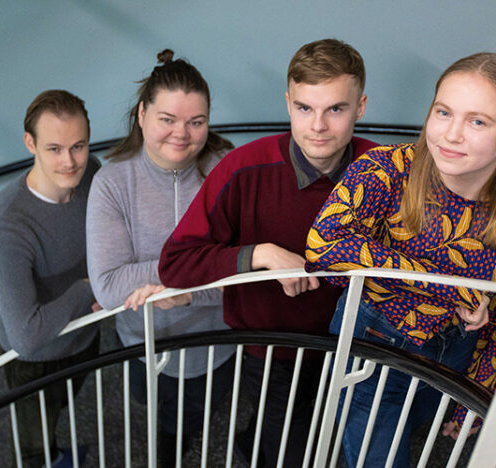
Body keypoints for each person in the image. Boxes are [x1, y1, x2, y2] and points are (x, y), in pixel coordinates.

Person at [304, 52, 496, 467]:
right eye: (443, 112)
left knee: (407, 430)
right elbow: (325, 244)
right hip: (375, 343)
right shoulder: (386, 170)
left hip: (457, 350)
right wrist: (448, 286)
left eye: (477, 121)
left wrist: (476, 396)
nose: (451, 134)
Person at [159, 39, 376, 467]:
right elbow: (176, 264)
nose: (318, 126)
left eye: (336, 109)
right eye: (304, 108)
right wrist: (259, 254)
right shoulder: (242, 169)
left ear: (361, 107)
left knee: (343, 442)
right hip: (274, 352)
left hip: (357, 347)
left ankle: (255, 442)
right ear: (287, 103)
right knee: (288, 451)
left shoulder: (385, 170)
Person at [86, 50, 235, 467]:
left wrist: (185, 291)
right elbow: (110, 285)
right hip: (143, 344)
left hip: (218, 342)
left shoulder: (227, 170)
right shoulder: (112, 183)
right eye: (167, 119)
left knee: (199, 413)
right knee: (160, 414)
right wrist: (205, 263)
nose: (181, 134)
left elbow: (244, 273)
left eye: (196, 122)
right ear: (142, 115)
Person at [0, 89, 100, 468]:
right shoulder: (7, 220)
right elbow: (26, 335)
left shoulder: (93, 172)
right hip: (34, 359)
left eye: (78, 146)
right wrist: (86, 291)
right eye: (54, 149)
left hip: (84, 338)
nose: (69, 162)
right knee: (34, 449)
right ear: (29, 143)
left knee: (63, 410)